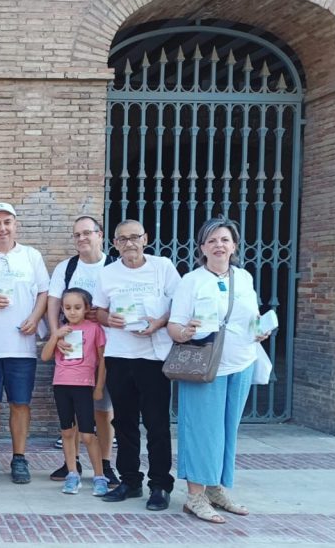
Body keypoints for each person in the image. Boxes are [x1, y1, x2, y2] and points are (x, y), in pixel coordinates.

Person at [167, 217, 272, 523]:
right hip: (204, 366)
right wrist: (185, 332)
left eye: (224, 240)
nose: (219, 245)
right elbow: (175, 326)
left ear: (234, 246)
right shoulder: (192, 281)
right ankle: (195, 495)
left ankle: (216, 488)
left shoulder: (245, 278)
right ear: (202, 247)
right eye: (212, 240)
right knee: (202, 430)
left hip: (240, 362)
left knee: (227, 430)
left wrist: (261, 330)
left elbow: (252, 317)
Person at [93, 219, 180, 511]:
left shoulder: (163, 267)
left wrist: (161, 322)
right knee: (124, 422)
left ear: (145, 238)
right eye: (122, 239)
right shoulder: (108, 274)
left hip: (153, 357)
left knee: (156, 423)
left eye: (134, 237)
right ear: (114, 244)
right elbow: (98, 311)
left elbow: (179, 304)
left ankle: (159, 485)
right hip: (119, 355)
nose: (129, 243)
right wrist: (109, 319)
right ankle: (130, 481)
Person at [0, 202, 48, 485]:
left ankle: (19, 458)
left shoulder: (31, 256)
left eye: (7, 222)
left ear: (15, 225)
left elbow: (44, 292)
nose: (2, 228)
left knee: (20, 403)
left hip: (21, 346)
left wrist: (35, 316)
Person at [46, 216, 119, 486]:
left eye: (88, 233)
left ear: (100, 235)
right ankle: (71, 463)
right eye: (77, 234)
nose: (82, 238)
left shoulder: (114, 266)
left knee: (102, 410)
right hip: (71, 351)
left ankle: (105, 464)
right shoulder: (67, 268)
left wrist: (100, 315)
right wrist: (56, 335)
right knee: (72, 412)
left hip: (106, 349)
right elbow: (53, 303)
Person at [40, 287, 109, 496]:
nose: (72, 312)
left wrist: (98, 387)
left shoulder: (95, 329)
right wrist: (55, 336)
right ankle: (72, 474)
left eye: (77, 307)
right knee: (67, 432)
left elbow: (102, 360)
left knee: (88, 435)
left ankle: (99, 476)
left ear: (87, 308)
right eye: (68, 308)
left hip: (84, 386)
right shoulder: (61, 329)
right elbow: (44, 357)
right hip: (61, 385)